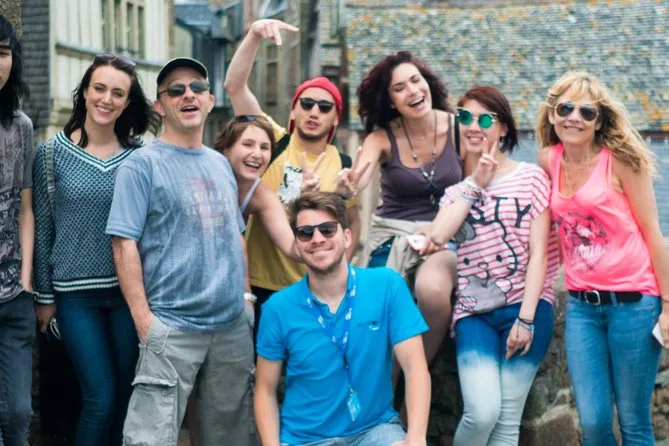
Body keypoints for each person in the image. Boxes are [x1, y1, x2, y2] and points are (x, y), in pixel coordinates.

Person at [106, 57, 256, 446]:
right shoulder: (142, 165)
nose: (188, 95)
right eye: (175, 90)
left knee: (229, 438)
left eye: (197, 87)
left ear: (210, 100)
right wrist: (145, 321)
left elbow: (235, 235)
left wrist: (246, 299)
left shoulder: (220, 164)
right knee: (149, 439)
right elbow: (123, 244)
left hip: (230, 328)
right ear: (160, 105)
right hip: (171, 326)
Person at [32, 52, 160, 446]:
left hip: (126, 295)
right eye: (99, 88)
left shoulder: (140, 158)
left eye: (117, 93)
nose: (107, 99)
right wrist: (44, 297)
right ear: (85, 92)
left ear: (127, 102)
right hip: (74, 297)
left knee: (125, 397)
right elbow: (42, 226)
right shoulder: (50, 154)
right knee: (99, 398)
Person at [537, 71, 669, 446]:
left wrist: (668, 306)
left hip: (634, 305)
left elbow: (653, 234)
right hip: (581, 308)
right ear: (552, 114)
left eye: (587, 112)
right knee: (594, 423)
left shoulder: (621, 161)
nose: (574, 117)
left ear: (598, 122)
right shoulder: (548, 159)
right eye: (566, 108)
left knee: (633, 422)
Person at [426, 86, 558, 445]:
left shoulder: (532, 178)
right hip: (475, 315)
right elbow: (438, 235)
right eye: (465, 118)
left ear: (503, 128)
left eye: (485, 119)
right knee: (482, 413)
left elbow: (539, 254)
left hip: (527, 307)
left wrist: (526, 319)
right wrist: (476, 185)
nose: (473, 126)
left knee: (507, 421)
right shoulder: (456, 193)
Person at [255, 192, 431, 446]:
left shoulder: (387, 285)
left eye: (327, 229)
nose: (317, 239)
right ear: (297, 245)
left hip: (374, 431)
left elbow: (415, 369)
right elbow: (265, 390)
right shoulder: (277, 308)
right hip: (305, 440)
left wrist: (416, 438)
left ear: (347, 237)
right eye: (305, 233)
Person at [224, 19, 361, 324]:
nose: (314, 112)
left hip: (314, 286)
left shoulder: (343, 163)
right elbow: (234, 87)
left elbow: (353, 223)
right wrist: (254, 34)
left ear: (335, 119)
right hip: (262, 283)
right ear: (294, 110)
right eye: (307, 104)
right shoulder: (270, 141)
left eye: (324, 107)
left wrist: (341, 271)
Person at [336, 50, 467, 369]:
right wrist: (348, 185)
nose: (412, 91)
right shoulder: (382, 137)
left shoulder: (460, 129)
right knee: (376, 303)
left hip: (446, 234)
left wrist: (439, 230)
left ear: (428, 84)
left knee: (432, 290)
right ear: (391, 101)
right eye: (399, 88)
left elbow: (476, 186)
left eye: (416, 81)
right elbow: (359, 176)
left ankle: (412, 375)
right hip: (393, 235)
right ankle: (387, 383)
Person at [0, 14, 35, 446]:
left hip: (13, 296)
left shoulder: (20, 127)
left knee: (18, 414)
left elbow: (26, 209)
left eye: (3, 53)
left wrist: (26, 279)